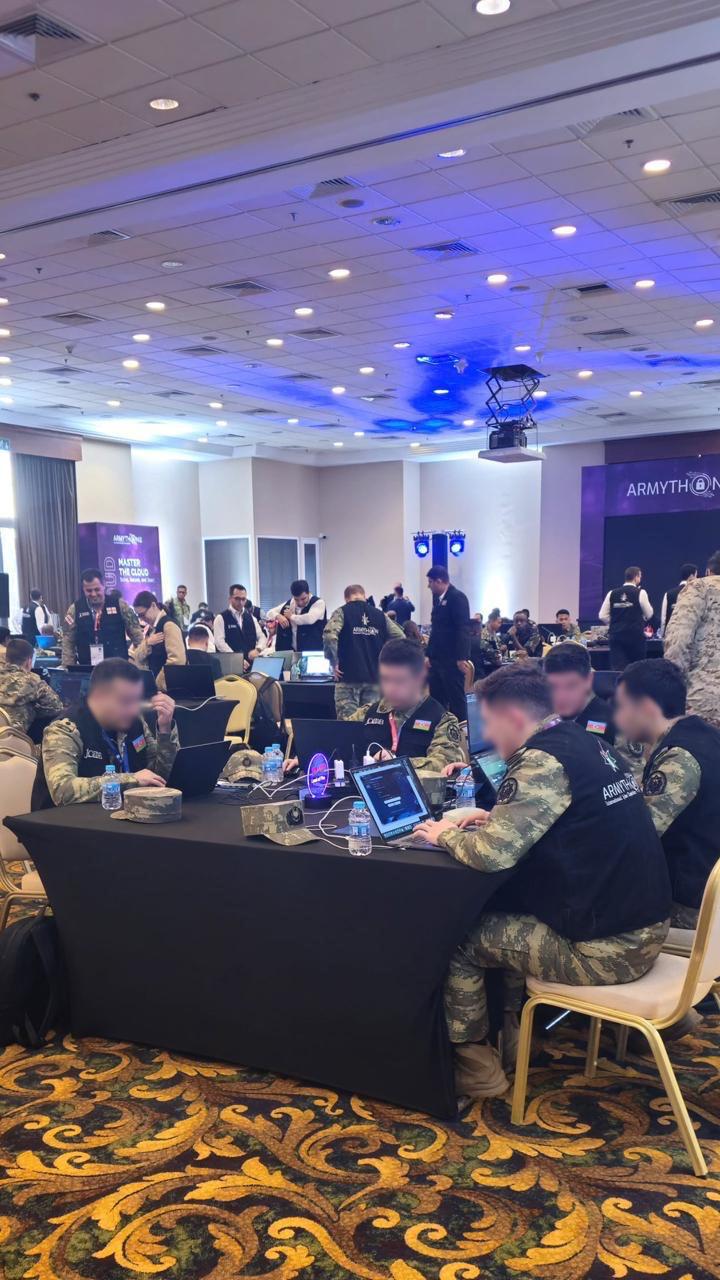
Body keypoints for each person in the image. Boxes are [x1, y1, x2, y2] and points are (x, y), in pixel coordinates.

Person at [414, 664, 670, 1097]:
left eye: (489, 724)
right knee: (514, 912)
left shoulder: (539, 761)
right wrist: (498, 818)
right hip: (644, 924)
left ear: (514, 718)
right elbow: (574, 818)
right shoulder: (584, 742)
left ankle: (477, 1068)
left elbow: (491, 855)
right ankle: (516, 1041)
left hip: (610, 948)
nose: (488, 737)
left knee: (459, 940)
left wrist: (444, 834)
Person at [614, 658, 720, 929]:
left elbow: (640, 837)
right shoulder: (707, 734)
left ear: (646, 707)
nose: (618, 718)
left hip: (692, 906)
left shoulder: (678, 758)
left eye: (622, 707)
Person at [32, 657, 179, 809]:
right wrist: (132, 780)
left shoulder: (134, 722)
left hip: (121, 815)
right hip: (64, 820)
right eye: (125, 701)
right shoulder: (65, 729)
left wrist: (165, 730)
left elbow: (157, 777)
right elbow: (63, 791)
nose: (134, 709)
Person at [347, 637, 467, 774]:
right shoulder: (368, 713)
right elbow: (338, 741)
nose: (391, 688)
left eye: (399, 681)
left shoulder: (441, 720)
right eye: (386, 679)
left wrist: (396, 763)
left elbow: (442, 764)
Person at [323, 584, 404, 719]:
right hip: (374, 677)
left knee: (348, 722)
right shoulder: (380, 615)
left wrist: (333, 661)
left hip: (348, 676)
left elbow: (329, 635)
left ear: (346, 599)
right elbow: (400, 637)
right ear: (364, 597)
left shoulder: (342, 612)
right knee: (370, 721)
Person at [664, 551, 720, 726]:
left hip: (705, 702)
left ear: (709, 571)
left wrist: (673, 687)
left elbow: (678, 641)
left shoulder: (698, 587)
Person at [63, 568, 144, 668]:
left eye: (97, 589)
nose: (93, 594)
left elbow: (137, 637)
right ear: (83, 589)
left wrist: (141, 666)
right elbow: (68, 643)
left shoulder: (120, 605)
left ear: (103, 586)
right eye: (89, 591)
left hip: (118, 668)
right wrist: (67, 670)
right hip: (88, 669)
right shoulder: (74, 609)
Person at [544, 642, 616, 744]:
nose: (561, 696)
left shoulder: (608, 724)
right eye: (553, 687)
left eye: (571, 686)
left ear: (588, 680)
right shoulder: (545, 717)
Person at [425, 565, 471, 722]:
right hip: (437, 660)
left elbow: (463, 628)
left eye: (430, 582)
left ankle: (461, 732)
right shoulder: (439, 601)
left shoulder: (457, 598)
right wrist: (429, 655)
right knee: (436, 700)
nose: (429, 586)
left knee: (456, 699)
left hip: (452, 660)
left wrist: (462, 657)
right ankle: (440, 730)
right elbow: (436, 631)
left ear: (439, 581)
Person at [0, 637, 63, 740]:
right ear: (29, 661)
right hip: (13, 740)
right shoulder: (32, 680)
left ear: (6, 658)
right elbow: (56, 708)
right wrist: (35, 709)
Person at [599, 565, 653, 670]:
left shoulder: (611, 593)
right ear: (636, 577)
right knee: (637, 669)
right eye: (640, 576)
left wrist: (615, 623)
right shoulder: (641, 592)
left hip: (616, 636)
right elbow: (649, 614)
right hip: (635, 636)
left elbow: (602, 615)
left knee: (618, 670)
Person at [132, 590, 186, 688]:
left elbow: (177, 660)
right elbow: (137, 657)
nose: (141, 619)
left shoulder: (168, 626)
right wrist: (147, 643)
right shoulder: (151, 628)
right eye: (139, 616)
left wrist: (158, 684)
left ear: (153, 605)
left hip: (170, 689)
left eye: (143, 614)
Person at [213, 584, 267, 667]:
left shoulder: (252, 618)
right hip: (229, 665)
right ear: (230, 599)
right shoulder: (220, 618)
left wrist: (258, 649)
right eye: (237, 599)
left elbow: (262, 637)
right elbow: (219, 643)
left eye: (243, 599)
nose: (241, 602)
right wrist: (237, 659)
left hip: (250, 665)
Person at [267, 580, 327, 654]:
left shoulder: (319, 603)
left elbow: (309, 619)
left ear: (308, 593)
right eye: (296, 599)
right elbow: (269, 613)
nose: (300, 602)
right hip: (292, 651)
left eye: (303, 599)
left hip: (313, 651)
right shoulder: (291, 603)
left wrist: (291, 616)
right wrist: (278, 616)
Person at [660, 564, 697, 636]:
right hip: (690, 636)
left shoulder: (668, 594)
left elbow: (664, 618)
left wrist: (662, 635)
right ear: (691, 576)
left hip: (671, 636)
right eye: (696, 576)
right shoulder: (696, 594)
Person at [473, 608, 504, 679]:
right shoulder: (482, 635)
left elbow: (499, 646)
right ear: (492, 621)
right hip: (485, 668)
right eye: (498, 623)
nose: (500, 625)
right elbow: (494, 656)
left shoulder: (495, 634)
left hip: (492, 664)